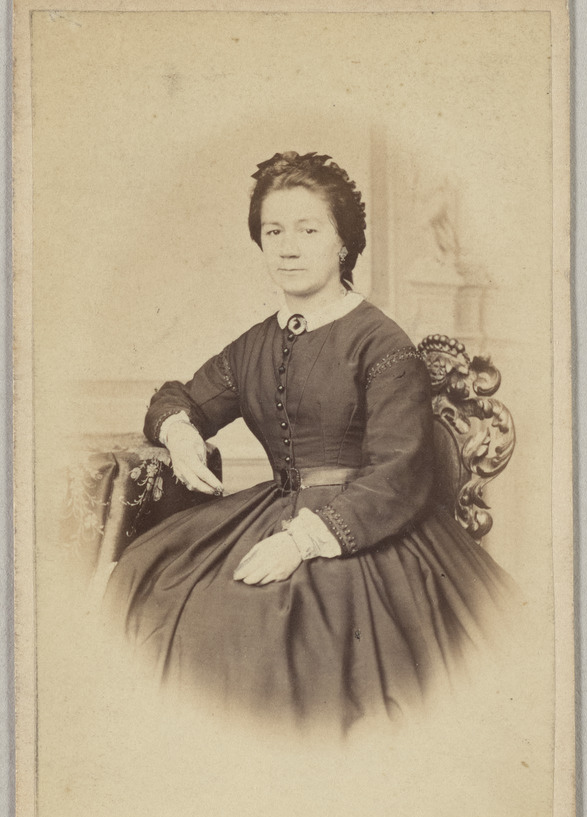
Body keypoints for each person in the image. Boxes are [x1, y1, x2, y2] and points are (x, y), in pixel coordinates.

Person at [104, 150, 520, 732]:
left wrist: (302, 541)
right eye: (273, 231)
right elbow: (180, 397)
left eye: (308, 229)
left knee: (269, 626)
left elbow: (399, 473)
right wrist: (180, 433)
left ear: (343, 242)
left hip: (368, 533)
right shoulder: (255, 345)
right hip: (272, 509)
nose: (288, 248)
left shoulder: (381, 343)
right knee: (148, 577)